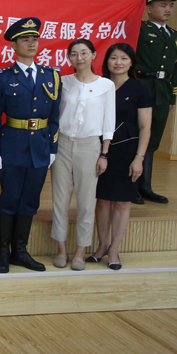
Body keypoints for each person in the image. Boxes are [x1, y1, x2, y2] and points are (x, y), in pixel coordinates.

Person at [0, 17, 62, 273]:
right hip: (12, 146)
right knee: (8, 199)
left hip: (39, 148)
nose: (31, 43)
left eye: (34, 39)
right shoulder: (1, 77)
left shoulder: (51, 76)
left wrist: (52, 148)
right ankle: (3, 252)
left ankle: (20, 251)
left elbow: (54, 117)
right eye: (25, 39)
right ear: (13, 45)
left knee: (30, 200)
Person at [50, 39, 115, 271]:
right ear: (69, 57)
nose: (79, 58)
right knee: (60, 199)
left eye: (84, 53)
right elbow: (55, 114)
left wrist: (104, 153)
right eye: (74, 54)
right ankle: (61, 249)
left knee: (87, 202)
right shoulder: (63, 82)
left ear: (94, 55)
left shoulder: (106, 85)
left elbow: (109, 122)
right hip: (62, 144)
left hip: (90, 146)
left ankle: (80, 251)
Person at [92, 44, 152, 270]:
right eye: (113, 58)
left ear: (131, 62)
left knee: (121, 201)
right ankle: (102, 245)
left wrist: (139, 158)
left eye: (124, 58)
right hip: (99, 150)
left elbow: (145, 127)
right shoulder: (99, 86)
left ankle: (114, 249)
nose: (118, 62)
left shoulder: (140, 89)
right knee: (102, 200)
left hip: (127, 151)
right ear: (106, 61)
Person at [134, 0, 177, 204]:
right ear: (149, 8)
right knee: (137, 138)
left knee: (153, 141)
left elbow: (175, 70)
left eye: (170, 5)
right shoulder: (140, 30)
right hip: (142, 88)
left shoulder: (176, 36)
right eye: (163, 5)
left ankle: (146, 187)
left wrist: (172, 98)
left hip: (162, 92)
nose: (168, 9)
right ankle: (131, 186)